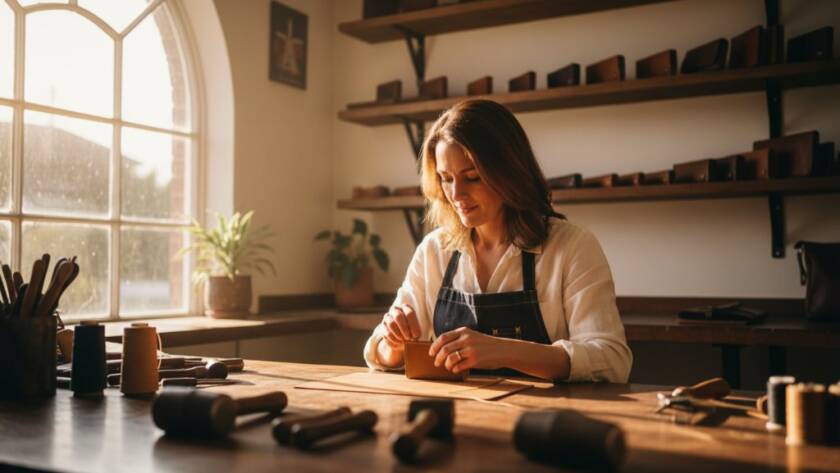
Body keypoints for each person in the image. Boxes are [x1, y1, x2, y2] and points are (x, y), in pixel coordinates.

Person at [363, 99, 632, 382]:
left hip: (544, 420)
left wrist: (503, 351)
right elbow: (378, 354)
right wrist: (392, 344)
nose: (456, 194)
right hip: (460, 415)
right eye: (446, 178)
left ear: (509, 172)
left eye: (472, 177)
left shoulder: (571, 246)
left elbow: (611, 360)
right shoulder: (434, 250)